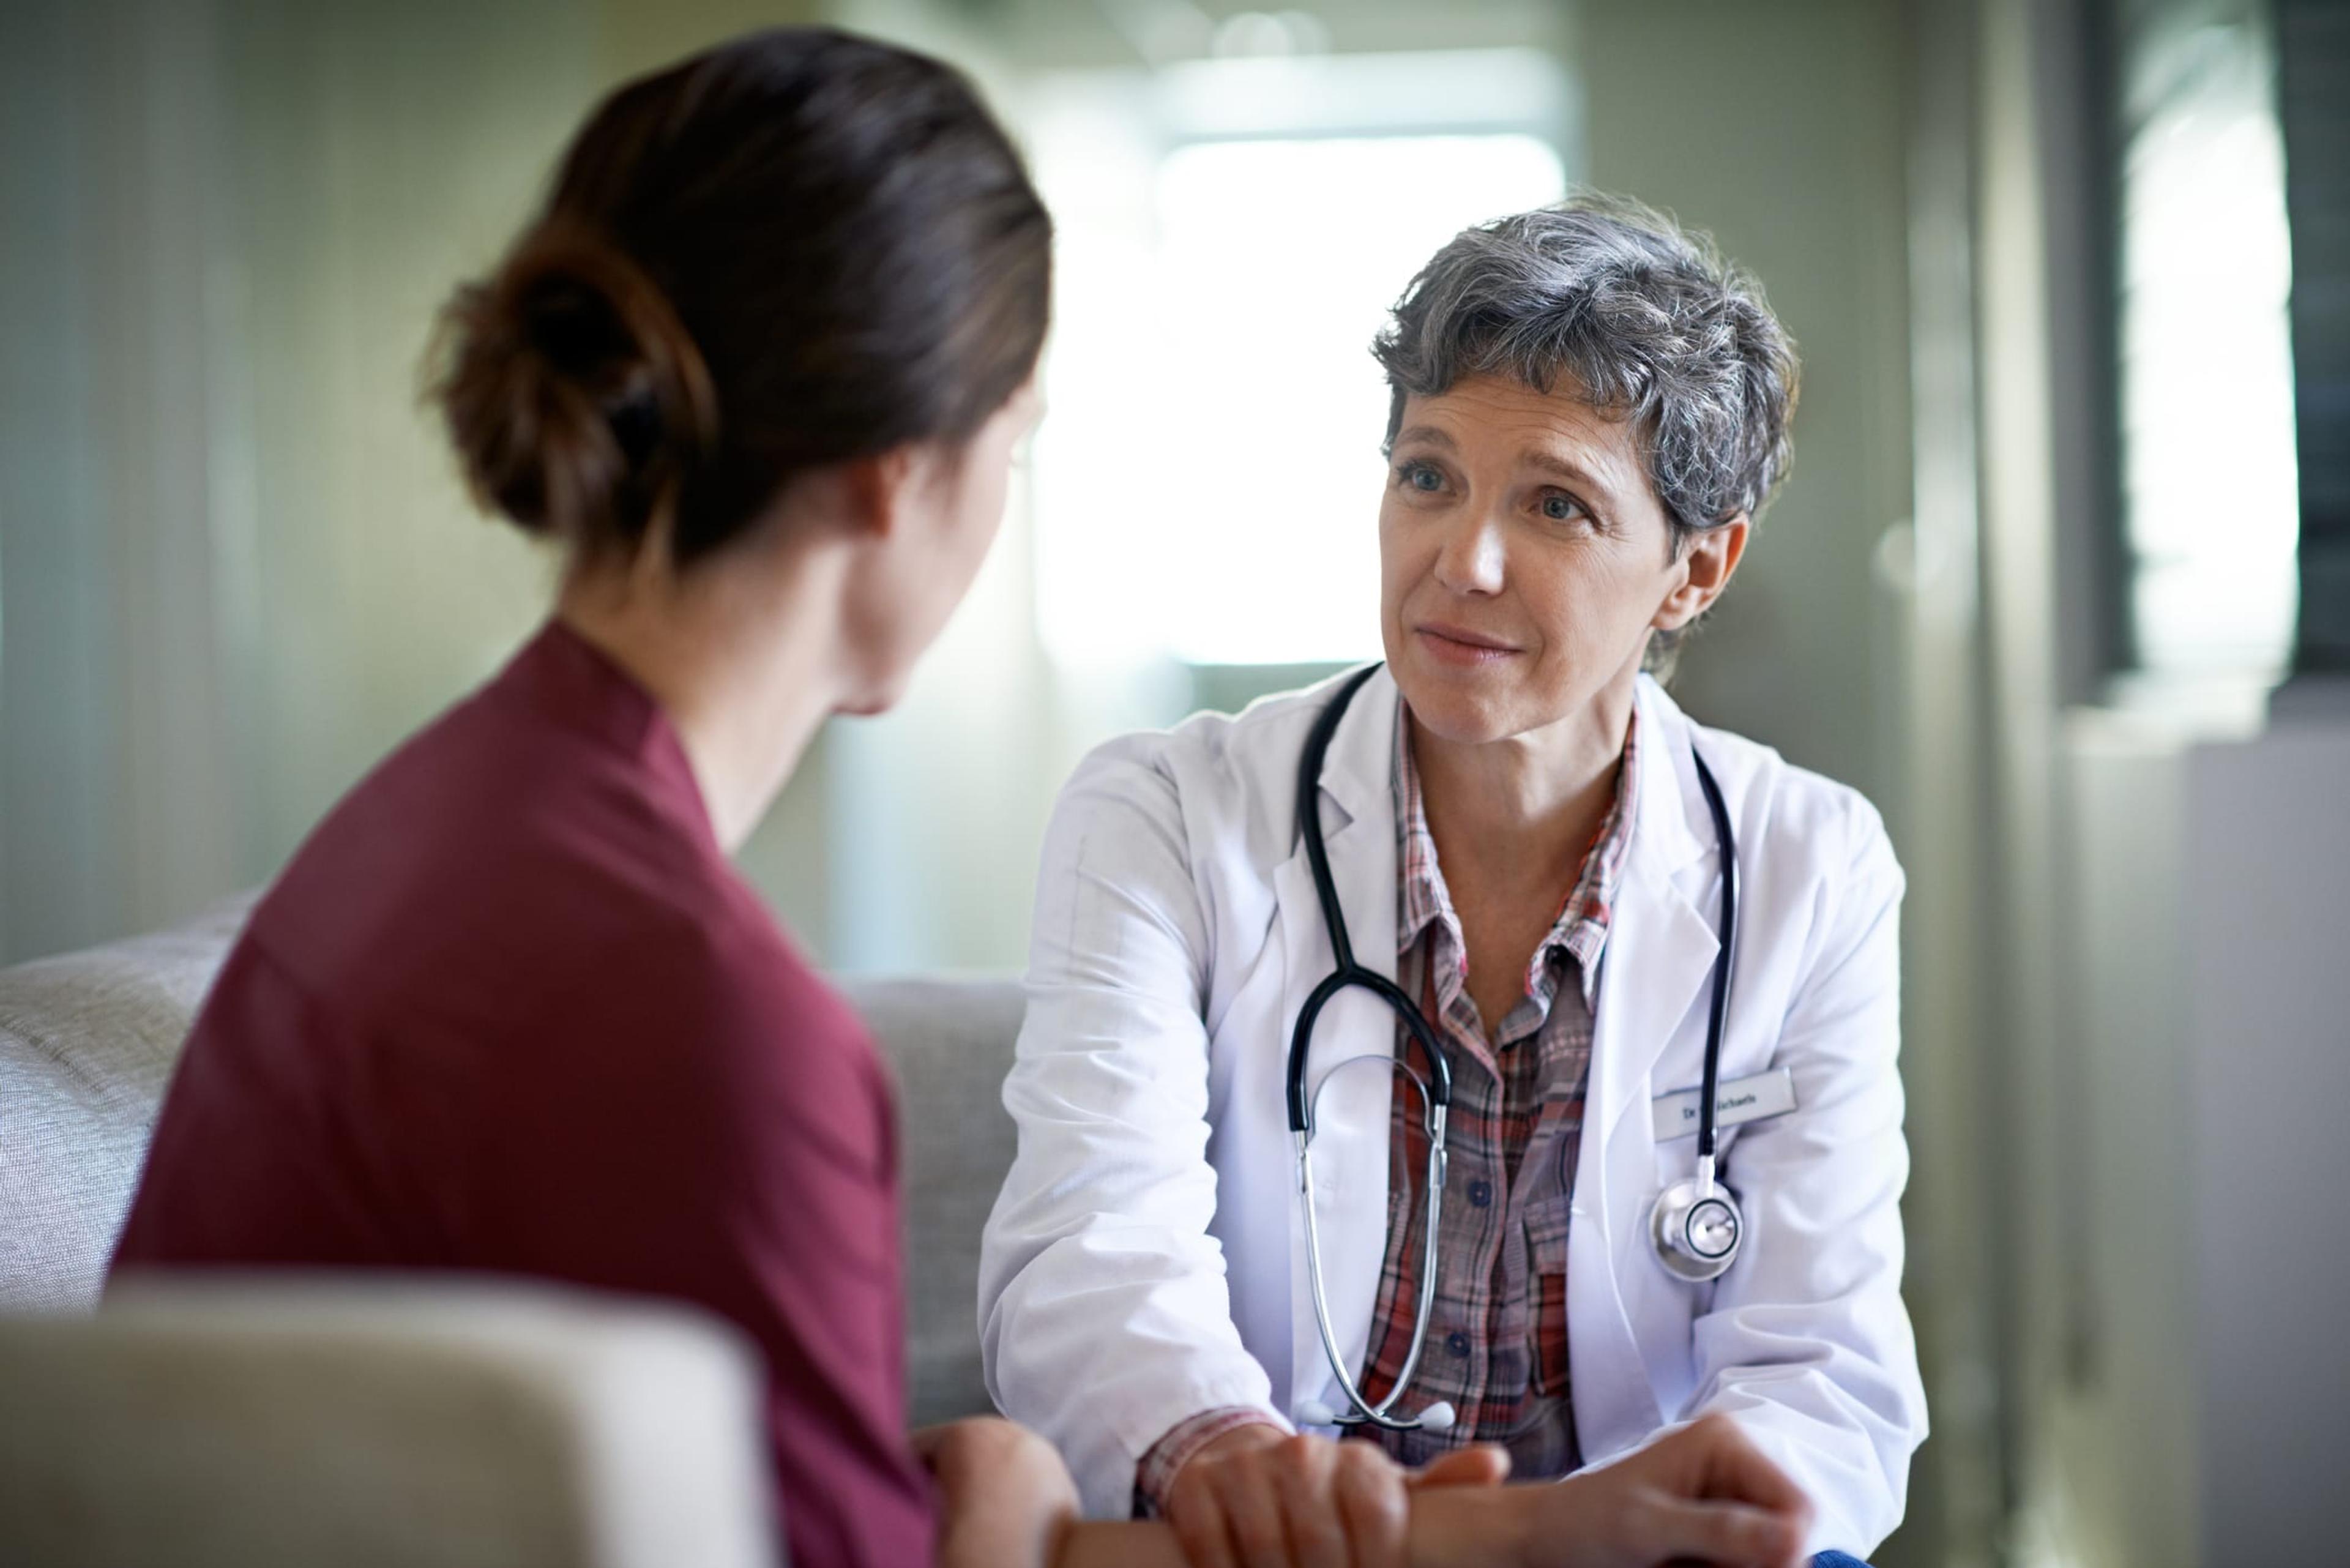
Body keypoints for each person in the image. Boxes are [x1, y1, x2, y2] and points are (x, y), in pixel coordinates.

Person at [106, 31, 1812, 1568]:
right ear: (894, 475)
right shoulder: (702, 1027)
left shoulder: (443, 817)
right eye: (1021, 438)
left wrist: (1007, 1497)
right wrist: (1010, 1511)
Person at [979, 198, 1928, 1568]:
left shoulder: (1809, 867)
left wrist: (1732, 1522)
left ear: (1693, 572)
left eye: (1556, 504)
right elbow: (1088, 1258)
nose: (1461, 561)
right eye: (1428, 475)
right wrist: (1229, 1459)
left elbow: (1820, 1367)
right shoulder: (1167, 818)